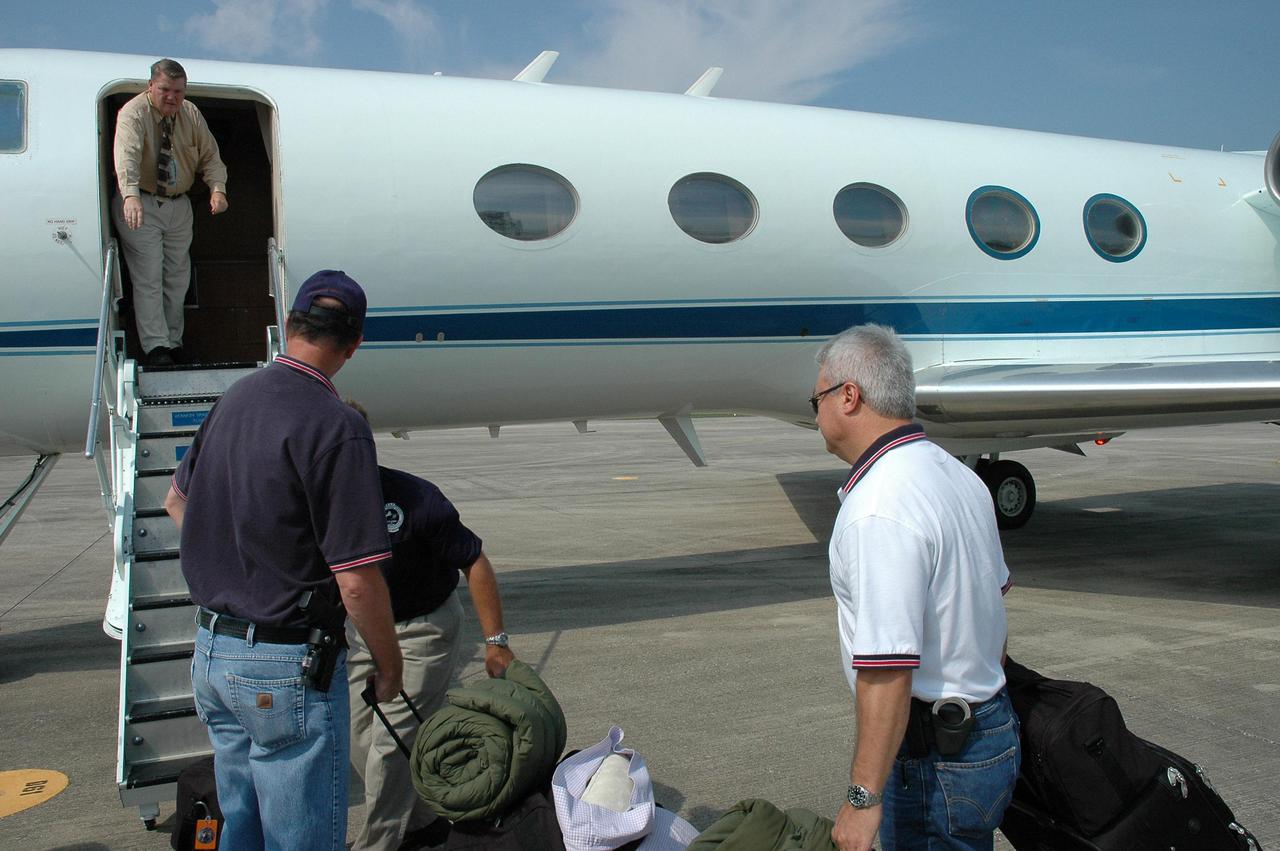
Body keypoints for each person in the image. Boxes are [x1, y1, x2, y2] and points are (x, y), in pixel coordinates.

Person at [163, 270, 403, 850]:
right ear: (354, 345)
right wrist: (389, 664)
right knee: (302, 837)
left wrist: (247, 552)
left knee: (239, 825)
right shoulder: (336, 425)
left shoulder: (233, 399)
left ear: (290, 325)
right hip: (280, 664)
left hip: (212, 655)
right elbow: (356, 580)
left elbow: (176, 503)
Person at [811, 324, 1018, 851]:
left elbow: (887, 669)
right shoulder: (958, 475)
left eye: (817, 400)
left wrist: (862, 800)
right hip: (990, 729)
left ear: (849, 397)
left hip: (936, 760)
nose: (816, 415)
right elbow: (991, 612)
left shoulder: (879, 507)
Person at [345, 400, 516, 851]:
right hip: (361, 632)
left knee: (390, 747)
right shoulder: (317, 501)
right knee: (359, 739)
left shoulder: (415, 498)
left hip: (422, 630)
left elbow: (473, 561)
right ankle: (424, 823)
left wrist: (495, 642)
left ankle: (376, 846)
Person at [113, 58, 228, 367]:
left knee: (177, 277)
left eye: (178, 91)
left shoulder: (190, 113)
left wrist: (218, 189)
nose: (172, 98)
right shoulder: (133, 114)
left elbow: (211, 155)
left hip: (179, 204)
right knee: (149, 275)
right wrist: (131, 195)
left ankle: (173, 343)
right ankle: (155, 347)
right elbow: (127, 156)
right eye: (165, 90)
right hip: (143, 202)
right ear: (151, 86)